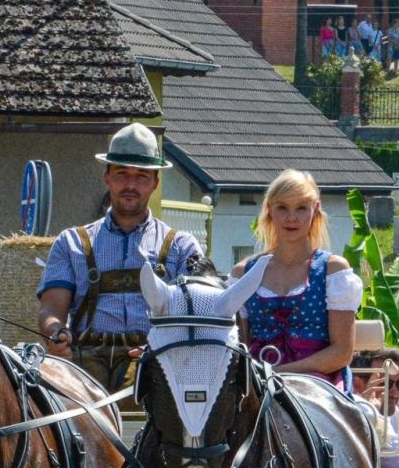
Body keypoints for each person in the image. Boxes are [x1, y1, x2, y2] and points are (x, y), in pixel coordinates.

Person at [37, 123, 203, 392]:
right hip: (81, 367)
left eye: (141, 176)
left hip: (155, 365)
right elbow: (51, 310)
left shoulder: (182, 247)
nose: (130, 185)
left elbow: (194, 314)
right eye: (121, 174)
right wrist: (55, 333)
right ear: (107, 177)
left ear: (155, 183)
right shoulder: (71, 243)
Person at [234, 169, 360, 382]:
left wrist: (279, 372)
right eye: (282, 208)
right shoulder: (243, 273)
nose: (291, 218)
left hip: (319, 382)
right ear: (269, 210)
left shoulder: (333, 270)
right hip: (257, 384)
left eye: (301, 208)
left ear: (315, 210)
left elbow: (341, 352)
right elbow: (239, 346)